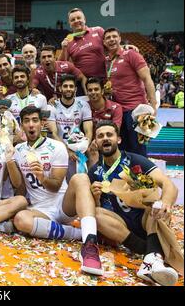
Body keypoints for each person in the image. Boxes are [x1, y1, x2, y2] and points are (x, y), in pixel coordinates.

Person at [12, 106, 103, 276]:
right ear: (22, 125)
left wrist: (41, 176)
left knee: (81, 178)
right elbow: (21, 187)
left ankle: (90, 244)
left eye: (35, 120)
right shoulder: (17, 151)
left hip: (63, 205)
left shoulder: (57, 147)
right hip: (40, 210)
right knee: (20, 220)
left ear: (42, 123)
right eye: (26, 121)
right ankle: (77, 234)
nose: (31, 125)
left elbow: (54, 185)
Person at [89, 120, 179, 285]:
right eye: (100, 136)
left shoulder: (134, 160)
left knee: (157, 203)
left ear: (119, 139)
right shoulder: (94, 171)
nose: (105, 138)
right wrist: (95, 197)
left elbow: (168, 184)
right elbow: (95, 208)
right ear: (96, 142)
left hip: (147, 220)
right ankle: (152, 255)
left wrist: (166, 202)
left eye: (109, 134)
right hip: (121, 226)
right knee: (94, 215)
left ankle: (150, 257)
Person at [103, 27, 157, 156]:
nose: (111, 39)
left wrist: (153, 105)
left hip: (137, 109)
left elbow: (147, 78)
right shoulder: (106, 61)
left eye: (114, 36)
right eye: (108, 38)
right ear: (104, 42)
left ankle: (142, 175)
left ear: (120, 39)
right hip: (118, 111)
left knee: (139, 149)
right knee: (123, 148)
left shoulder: (132, 54)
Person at [46, 75, 93, 180]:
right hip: (58, 148)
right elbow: (53, 133)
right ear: (60, 88)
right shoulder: (52, 106)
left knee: (79, 179)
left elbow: (88, 131)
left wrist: (84, 147)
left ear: (75, 89)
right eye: (65, 86)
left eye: (71, 86)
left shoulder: (83, 105)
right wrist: (67, 151)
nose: (68, 89)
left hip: (78, 149)